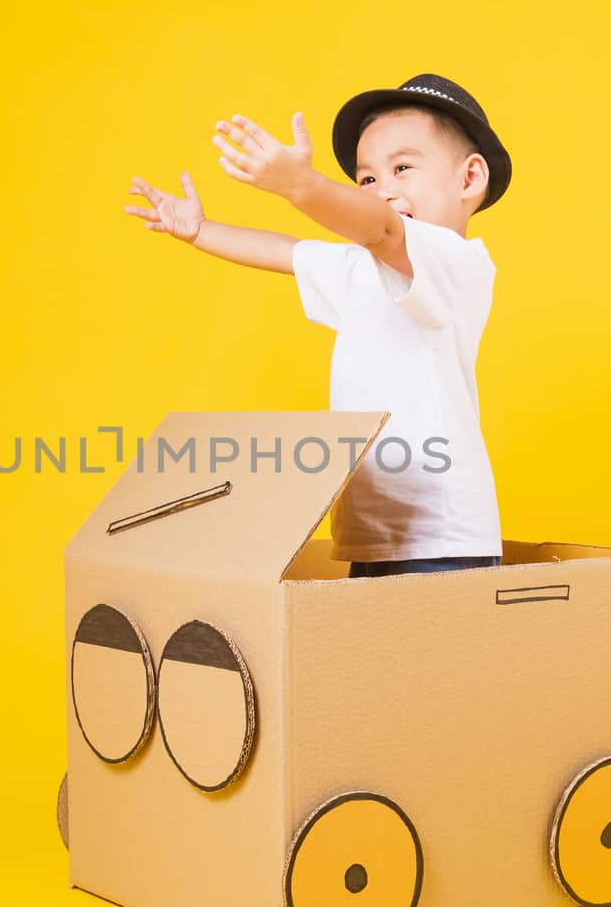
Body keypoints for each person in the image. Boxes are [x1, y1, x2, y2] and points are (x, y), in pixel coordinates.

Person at [124, 73, 510, 578]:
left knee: (435, 657)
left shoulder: (455, 263)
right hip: (372, 536)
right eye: (367, 179)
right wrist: (200, 230)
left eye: (402, 168)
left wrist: (300, 185)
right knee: (376, 658)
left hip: (441, 536)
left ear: (468, 179)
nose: (383, 190)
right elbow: (287, 251)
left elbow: (382, 227)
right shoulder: (363, 270)